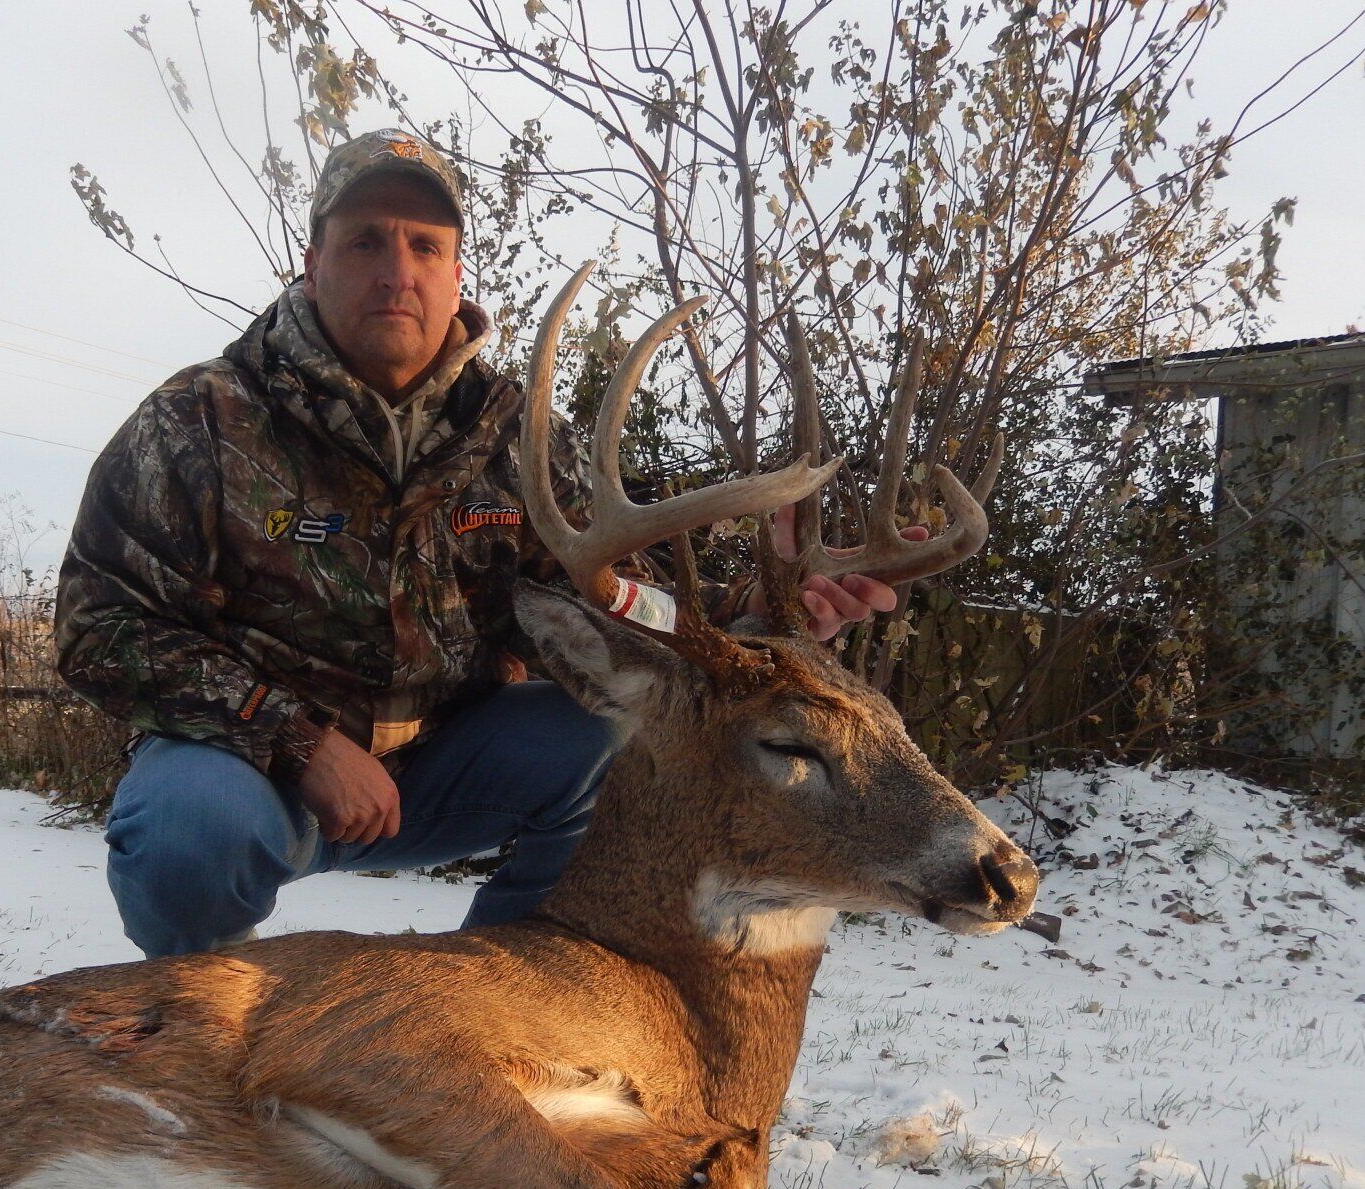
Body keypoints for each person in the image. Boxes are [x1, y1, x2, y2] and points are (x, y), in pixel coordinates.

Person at [54, 128, 905, 959]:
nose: (397, 272)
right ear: (312, 265)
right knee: (185, 832)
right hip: (249, 778)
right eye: (364, 243)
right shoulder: (199, 420)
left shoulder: (518, 439)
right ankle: (201, 1018)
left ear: (457, 272)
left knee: (627, 738)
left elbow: (612, 606)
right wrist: (297, 740)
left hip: (446, 770)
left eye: (426, 246)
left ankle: (499, 1007)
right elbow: (103, 627)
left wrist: (754, 618)